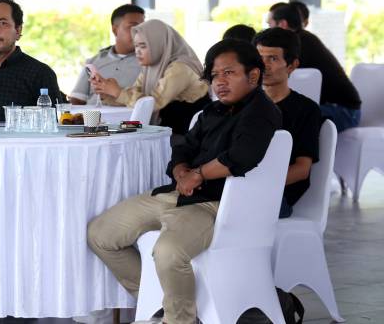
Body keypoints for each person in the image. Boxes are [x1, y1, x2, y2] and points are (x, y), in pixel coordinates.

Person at [87, 39, 281, 324]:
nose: (220, 82)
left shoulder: (262, 113)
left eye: (229, 73)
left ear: (253, 75)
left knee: (168, 252)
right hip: (178, 193)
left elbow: (240, 157)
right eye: (215, 75)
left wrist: (197, 175)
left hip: (215, 205)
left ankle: (179, 319)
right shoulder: (213, 111)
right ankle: (160, 301)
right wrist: (180, 172)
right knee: (100, 234)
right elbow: (183, 148)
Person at [90, 19, 210, 135]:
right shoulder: (151, 67)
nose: (137, 51)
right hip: (163, 130)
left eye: (143, 46)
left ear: (158, 44)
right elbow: (136, 98)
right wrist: (108, 93)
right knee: (105, 132)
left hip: (184, 136)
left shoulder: (181, 67)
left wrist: (117, 92)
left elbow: (153, 103)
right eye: (136, 46)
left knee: (116, 137)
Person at [254, 27, 321, 218]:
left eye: (273, 58)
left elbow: (302, 169)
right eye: (259, 57)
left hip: (277, 196)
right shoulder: (244, 105)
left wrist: (256, 184)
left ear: (292, 65)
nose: (264, 65)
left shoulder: (306, 110)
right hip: (239, 188)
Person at [269, 2, 361, 132]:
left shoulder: (300, 44)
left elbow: (281, 80)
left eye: (270, 25)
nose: (267, 30)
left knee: (284, 116)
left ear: (282, 24)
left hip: (343, 111)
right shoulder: (304, 39)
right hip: (336, 108)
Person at [69, 4, 145, 105]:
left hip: (128, 115)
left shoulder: (147, 62)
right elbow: (77, 99)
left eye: (142, 27)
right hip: (93, 115)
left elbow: (149, 103)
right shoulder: (93, 62)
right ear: (115, 30)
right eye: (132, 26)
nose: (139, 32)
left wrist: (116, 91)